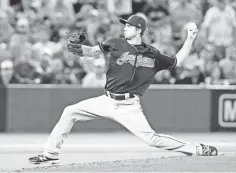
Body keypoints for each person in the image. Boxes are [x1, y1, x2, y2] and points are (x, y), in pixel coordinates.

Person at [29, 14, 218, 164]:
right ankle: (50, 153)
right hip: (107, 100)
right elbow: (93, 51)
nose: (125, 27)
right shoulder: (116, 43)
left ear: (138, 30)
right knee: (69, 112)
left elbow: (176, 61)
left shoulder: (153, 54)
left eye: (128, 25)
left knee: (152, 139)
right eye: (125, 25)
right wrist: (76, 47)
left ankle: (196, 149)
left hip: (129, 105)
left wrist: (190, 39)